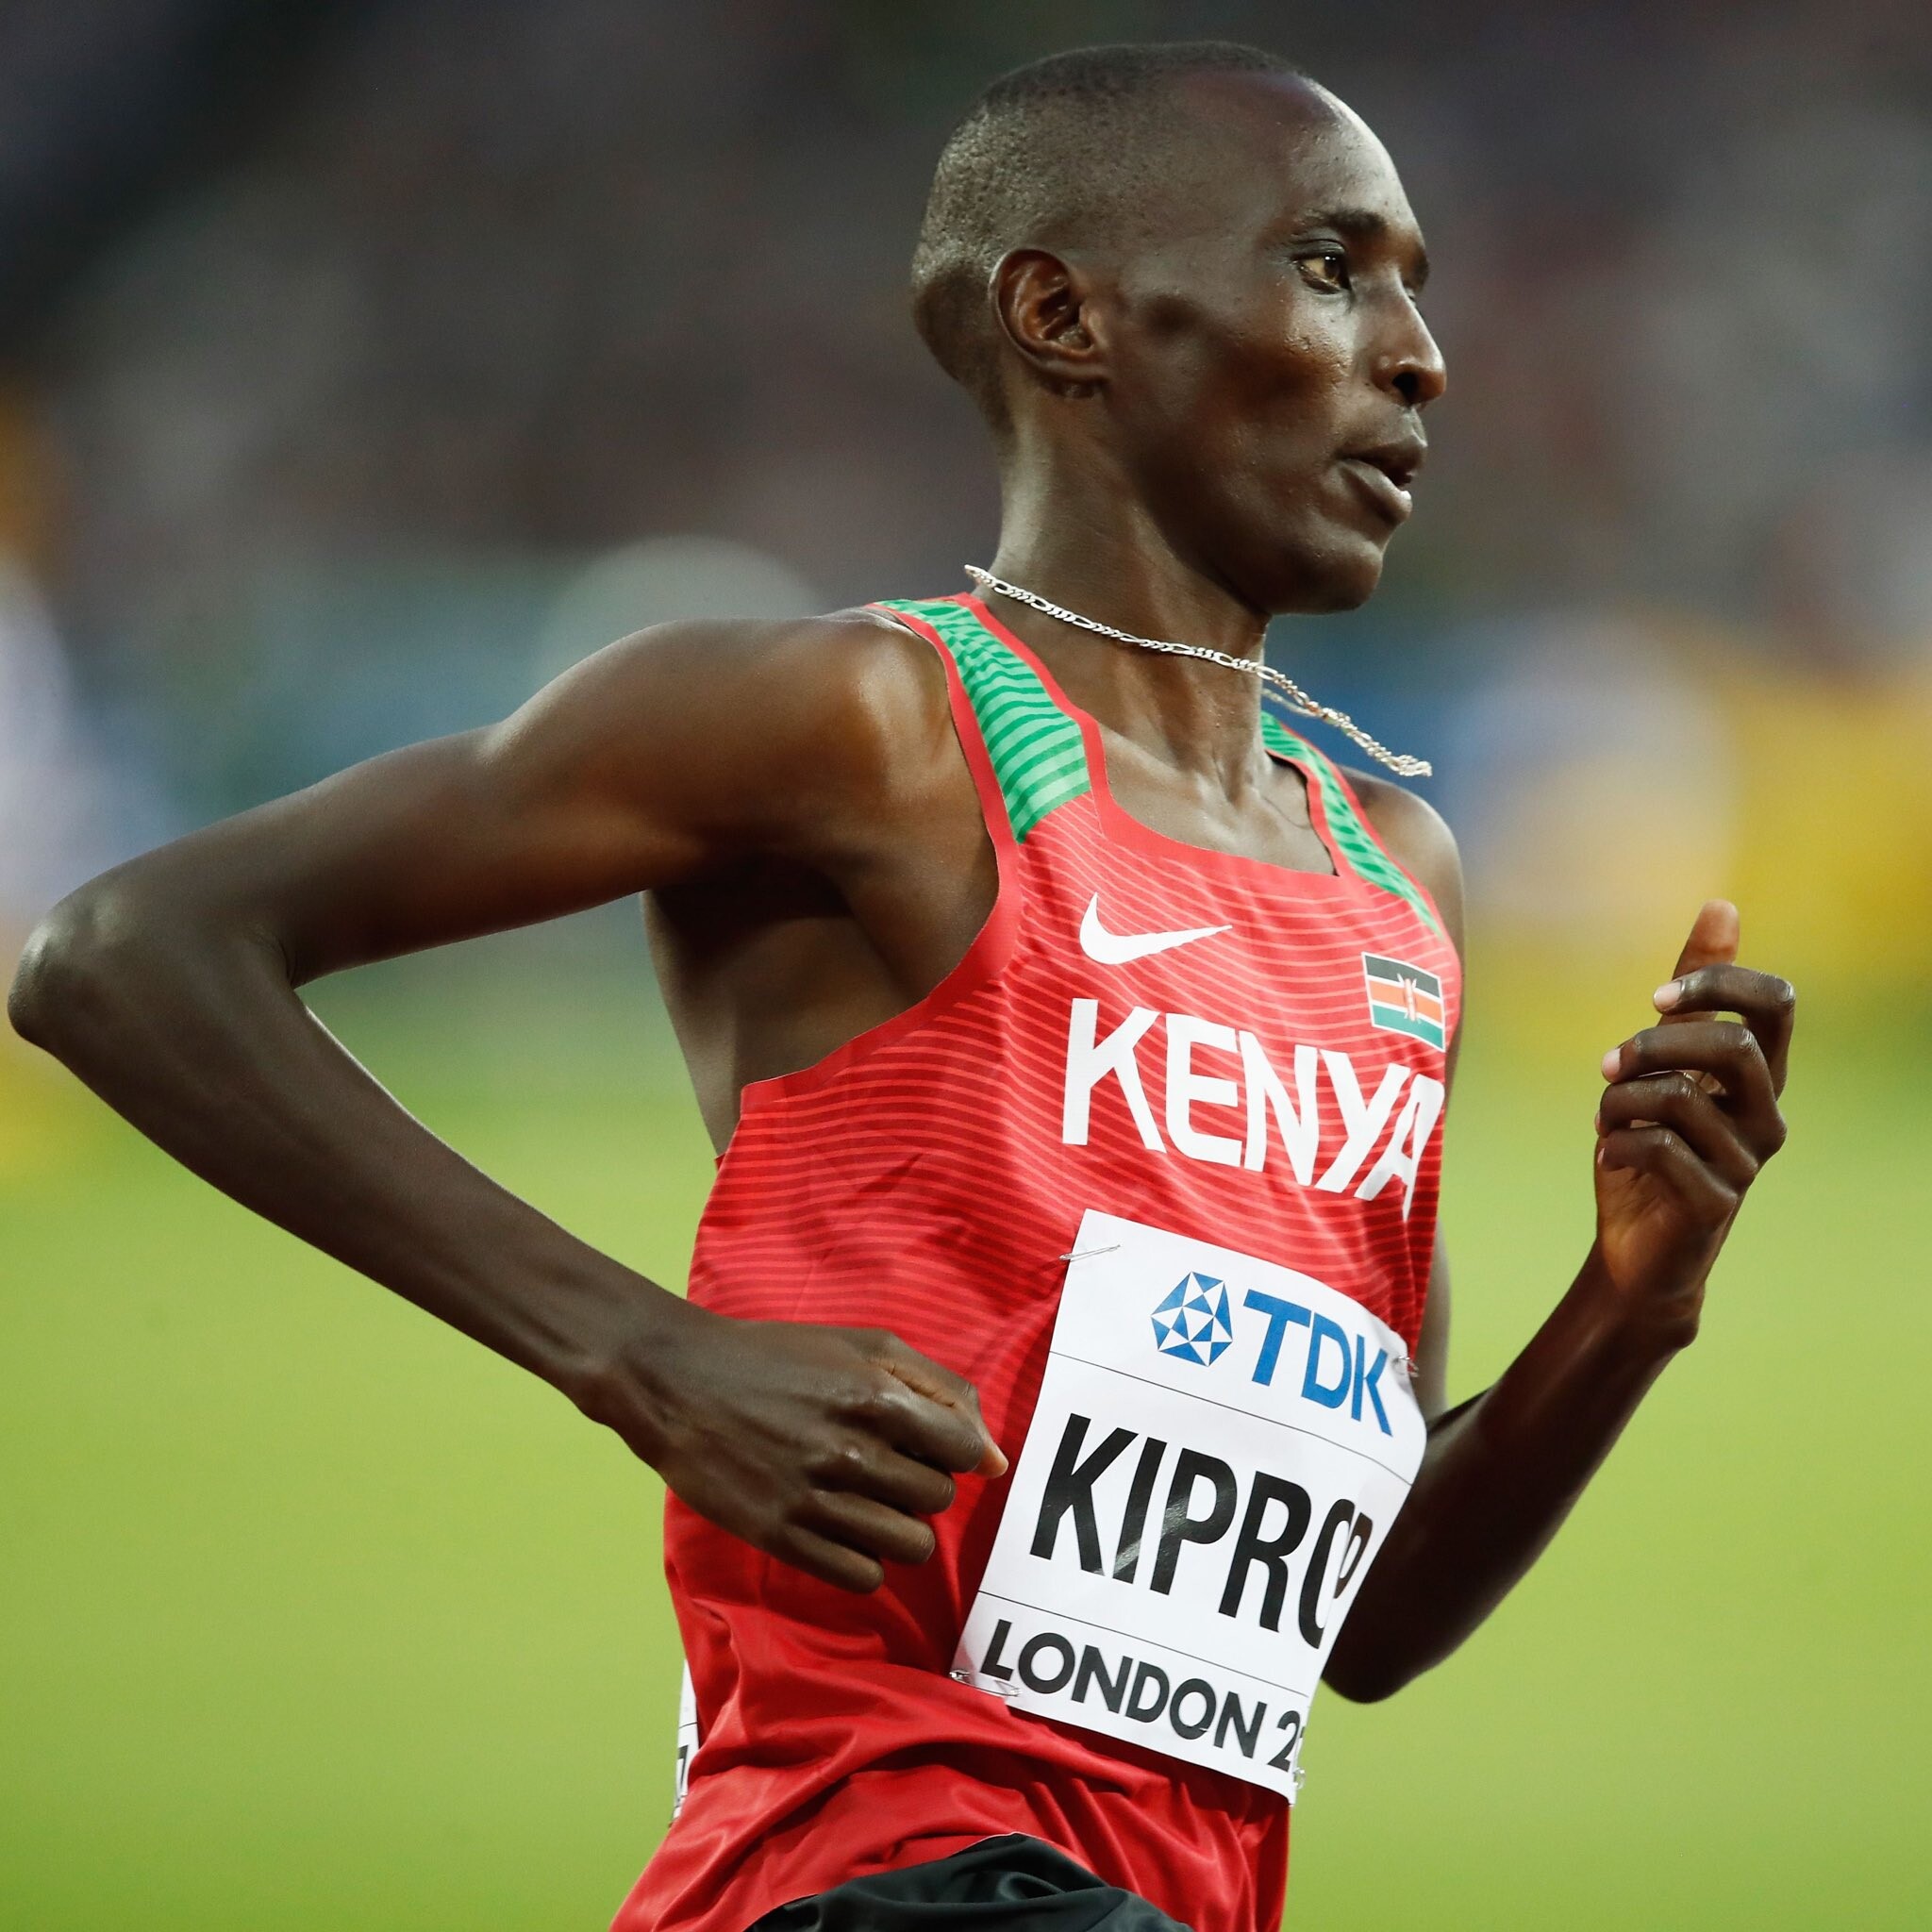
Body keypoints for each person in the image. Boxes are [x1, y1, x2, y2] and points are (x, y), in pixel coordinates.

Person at [8, 41, 1794, 1932]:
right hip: (877, 1871)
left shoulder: (1392, 879)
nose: (1420, 355)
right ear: (1063, 316)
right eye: (1334, 269)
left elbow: (1365, 1617)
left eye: (1418, 288)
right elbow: (125, 956)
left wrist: (1631, 1298)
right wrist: (640, 1354)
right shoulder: (870, 726)